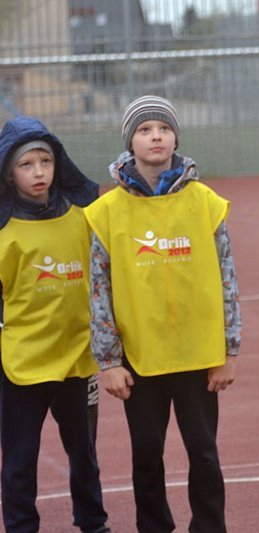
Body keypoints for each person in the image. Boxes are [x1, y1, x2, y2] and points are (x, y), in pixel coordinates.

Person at [84, 95, 242, 532]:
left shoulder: (206, 202)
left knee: (204, 454)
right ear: (129, 142)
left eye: (164, 128)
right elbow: (98, 291)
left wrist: (228, 350)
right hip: (141, 356)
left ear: (176, 137)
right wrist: (108, 360)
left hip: (198, 353)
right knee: (146, 456)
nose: (156, 136)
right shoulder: (107, 212)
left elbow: (227, 279)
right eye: (144, 129)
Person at [0, 116, 110, 533]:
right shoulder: (4, 231)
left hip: (78, 360)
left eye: (45, 160)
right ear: (9, 173)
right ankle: (21, 526)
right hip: (22, 364)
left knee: (84, 453)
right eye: (26, 164)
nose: (38, 172)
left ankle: (94, 522)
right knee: (19, 459)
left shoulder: (82, 217)